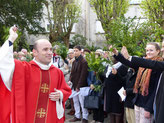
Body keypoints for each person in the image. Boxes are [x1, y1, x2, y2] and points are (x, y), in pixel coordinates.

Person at [0, 26, 72, 123]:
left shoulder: (57, 72)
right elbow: (3, 61)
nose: (50, 52)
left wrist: (60, 94)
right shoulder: (24, 69)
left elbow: (66, 90)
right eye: (45, 49)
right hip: (28, 117)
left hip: (50, 118)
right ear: (35, 52)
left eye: (51, 49)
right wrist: (11, 38)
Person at [113, 42, 163, 123]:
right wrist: (117, 54)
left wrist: (149, 108)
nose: (148, 52)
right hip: (138, 101)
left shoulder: (158, 66)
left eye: (151, 50)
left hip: (147, 105)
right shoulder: (144, 63)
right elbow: (129, 63)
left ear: (158, 51)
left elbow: (155, 91)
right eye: (147, 50)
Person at [68, 45, 89, 123]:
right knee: (75, 101)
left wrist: (79, 86)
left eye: (76, 50)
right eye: (74, 51)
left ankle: (85, 117)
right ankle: (77, 116)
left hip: (81, 85)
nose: (75, 52)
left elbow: (83, 75)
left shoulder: (84, 61)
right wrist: (70, 80)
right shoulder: (74, 61)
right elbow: (72, 73)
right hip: (74, 84)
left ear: (81, 51)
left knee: (82, 102)